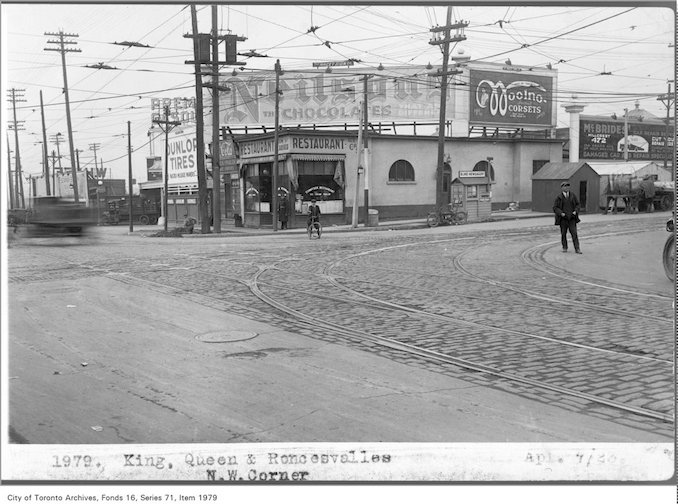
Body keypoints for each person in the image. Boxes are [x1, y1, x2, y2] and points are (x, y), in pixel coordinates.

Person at [553, 181, 581, 254]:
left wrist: (576, 211)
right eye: (565, 186)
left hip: (572, 218)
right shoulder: (559, 197)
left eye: (568, 186)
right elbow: (555, 208)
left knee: (574, 233)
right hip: (563, 219)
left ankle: (577, 248)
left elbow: (578, 205)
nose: (567, 187)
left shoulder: (573, 195)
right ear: (562, 188)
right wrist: (561, 213)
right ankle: (565, 247)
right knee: (563, 234)